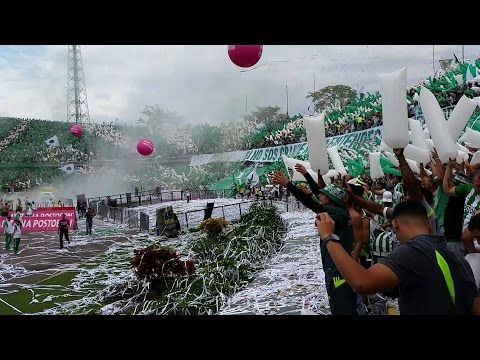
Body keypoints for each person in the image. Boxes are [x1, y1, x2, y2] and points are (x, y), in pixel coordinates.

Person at [315, 200, 480, 314]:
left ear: (395, 225)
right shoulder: (457, 257)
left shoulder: (411, 251)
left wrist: (329, 237)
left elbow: (361, 283)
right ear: (429, 225)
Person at [270, 169, 358, 315]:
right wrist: (306, 174)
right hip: (334, 268)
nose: (319, 195)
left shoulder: (338, 214)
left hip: (338, 272)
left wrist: (288, 184)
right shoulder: (337, 211)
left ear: (331, 199)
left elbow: (312, 204)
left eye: (323, 194)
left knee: (343, 306)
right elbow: (317, 195)